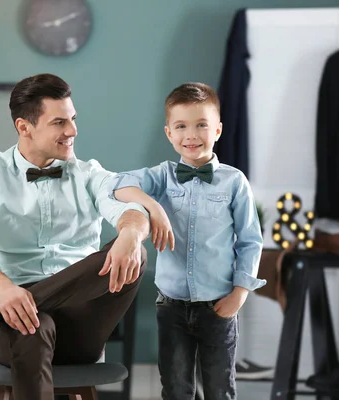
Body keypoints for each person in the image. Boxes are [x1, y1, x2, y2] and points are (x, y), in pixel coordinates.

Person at [0, 73, 151, 400]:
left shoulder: (89, 174)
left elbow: (129, 208)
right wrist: (2, 289)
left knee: (135, 252)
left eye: (72, 119)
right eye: (59, 122)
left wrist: (131, 232)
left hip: (81, 324)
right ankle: (6, 310)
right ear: (24, 127)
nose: (72, 131)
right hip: (11, 317)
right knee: (31, 325)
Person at [110, 82, 265, 400]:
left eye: (201, 125)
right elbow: (118, 185)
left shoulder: (234, 181)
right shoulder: (161, 177)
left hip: (219, 304)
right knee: (176, 388)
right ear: (169, 133)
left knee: (219, 389)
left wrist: (240, 293)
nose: (191, 135)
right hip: (172, 306)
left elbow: (250, 240)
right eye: (181, 126)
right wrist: (153, 206)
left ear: (218, 130)